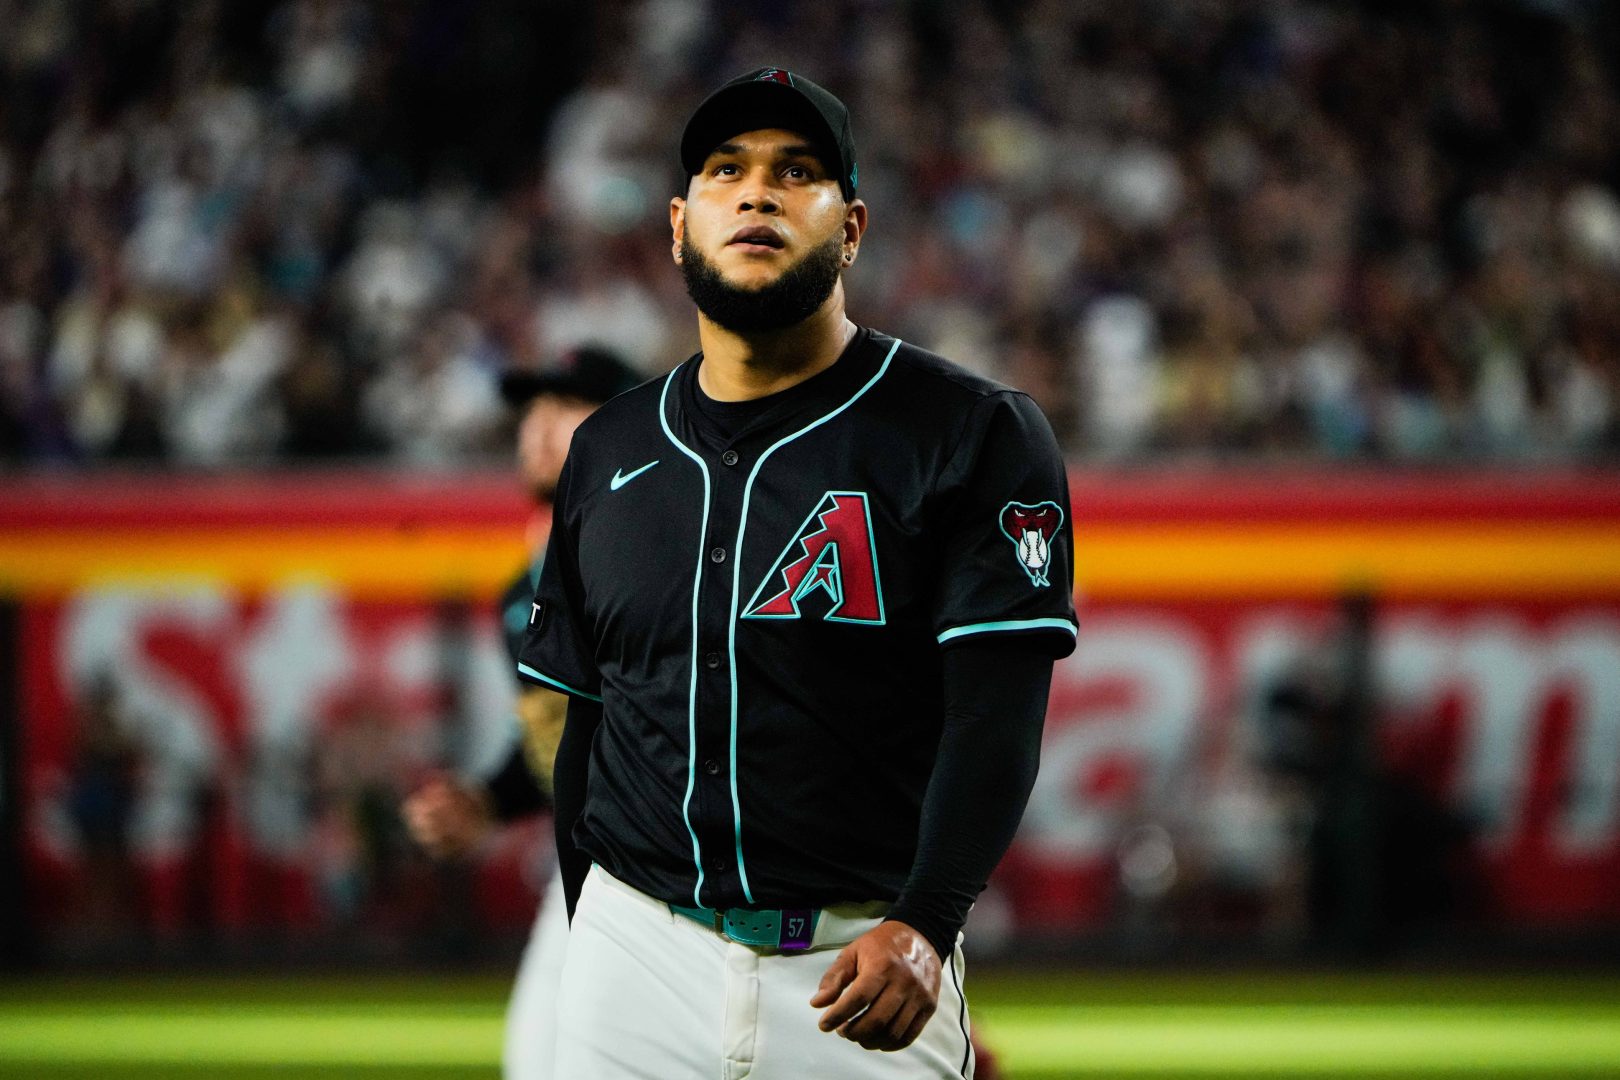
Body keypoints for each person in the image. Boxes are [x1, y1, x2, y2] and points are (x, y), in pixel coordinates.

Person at [520, 68, 1074, 1078]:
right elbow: (581, 721)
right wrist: (590, 930)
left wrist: (928, 920)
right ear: (681, 225)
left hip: (860, 961)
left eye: (798, 171)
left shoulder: (971, 433)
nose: (758, 192)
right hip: (632, 955)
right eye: (727, 171)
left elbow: (994, 718)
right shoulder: (606, 450)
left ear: (852, 227)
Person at [402, 346, 640, 1080]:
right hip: (588, 874)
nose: (539, 426)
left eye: (567, 408)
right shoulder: (521, 590)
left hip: (677, 873)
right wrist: (488, 799)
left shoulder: (653, 561)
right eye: (532, 408)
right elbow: (551, 737)